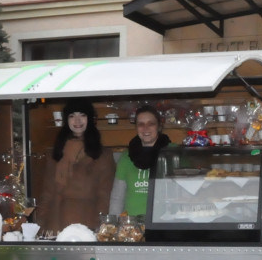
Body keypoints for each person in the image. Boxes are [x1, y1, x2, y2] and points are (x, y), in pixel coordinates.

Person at [38, 97, 115, 233]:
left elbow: (105, 198)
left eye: (82, 115)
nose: (77, 121)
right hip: (55, 222)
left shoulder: (103, 155)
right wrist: (39, 224)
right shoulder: (55, 153)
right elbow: (47, 193)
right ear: (66, 120)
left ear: (90, 119)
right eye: (72, 116)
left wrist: (100, 228)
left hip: (87, 224)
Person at [110, 104, 170, 217]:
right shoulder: (126, 157)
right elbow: (117, 197)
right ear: (136, 128)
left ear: (159, 126)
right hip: (132, 227)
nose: (146, 128)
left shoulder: (172, 153)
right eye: (141, 124)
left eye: (151, 124)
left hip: (164, 224)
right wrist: (113, 225)